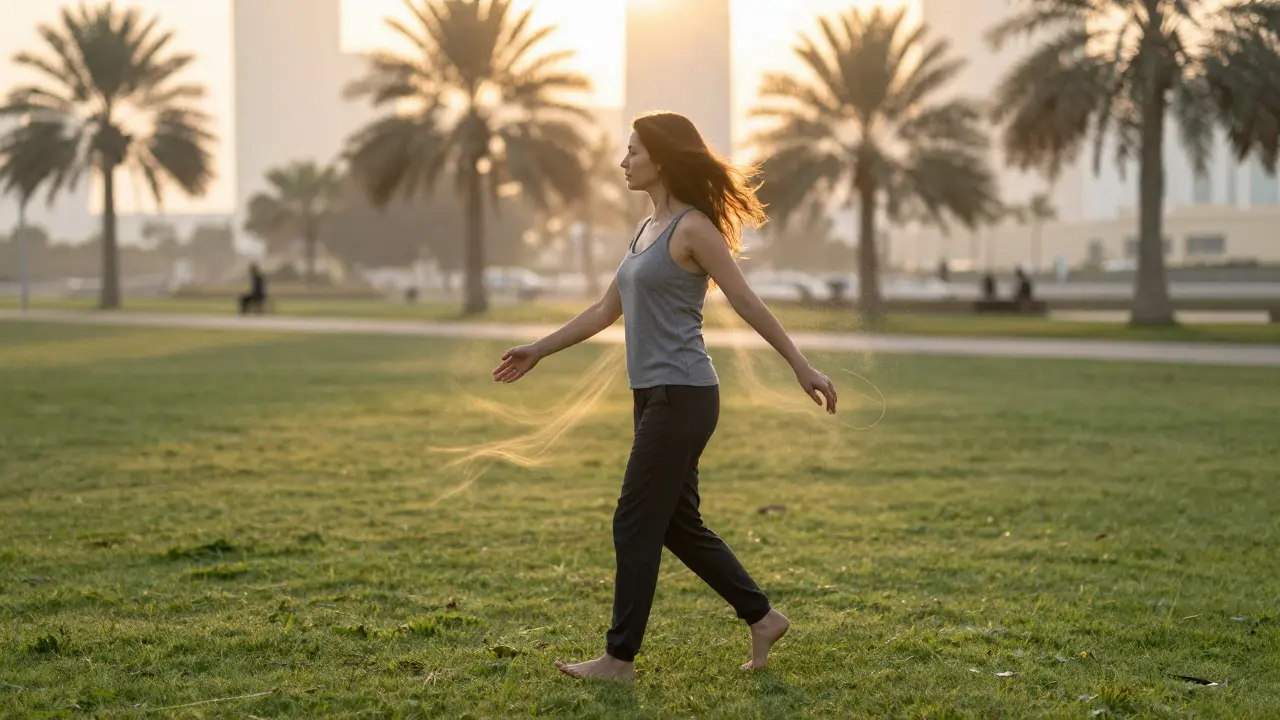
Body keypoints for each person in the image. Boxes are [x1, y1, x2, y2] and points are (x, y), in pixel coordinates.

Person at [491, 112, 839, 682]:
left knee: (633, 521)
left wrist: (801, 365)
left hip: (684, 394)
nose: (623, 162)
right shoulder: (646, 229)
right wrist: (538, 348)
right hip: (652, 394)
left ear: (660, 158)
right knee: (677, 525)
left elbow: (747, 301)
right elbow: (606, 310)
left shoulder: (693, 228)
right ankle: (761, 616)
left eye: (631, 151)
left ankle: (618, 659)